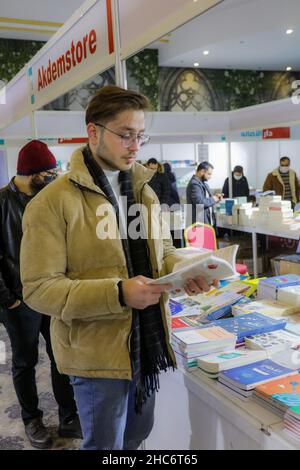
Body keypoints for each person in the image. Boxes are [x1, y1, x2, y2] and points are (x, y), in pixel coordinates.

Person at [20, 86, 216, 450]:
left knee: (137, 437)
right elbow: (38, 289)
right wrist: (118, 293)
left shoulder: (143, 189)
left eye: (140, 135)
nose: (135, 145)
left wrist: (186, 270)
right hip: (95, 356)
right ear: (93, 132)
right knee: (104, 445)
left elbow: (164, 252)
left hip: (148, 342)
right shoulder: (52, 202)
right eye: (125, 135)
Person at [0, 140, 81, 449]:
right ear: (30, 172)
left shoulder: (49, 198)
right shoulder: (3, 202)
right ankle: (31, 418)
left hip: (53, 294)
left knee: (61, 356)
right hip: (19, 300)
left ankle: (68, 416)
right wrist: (9, 299)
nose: (53, 177)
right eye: (48, 172)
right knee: (24, 361)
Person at [186, 161, 223, 226]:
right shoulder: (194, 184)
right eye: (209, 174)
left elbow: (206, 200)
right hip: (200, 224)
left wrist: (216, 198)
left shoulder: (202, 183)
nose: (210, 176)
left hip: (205, 222)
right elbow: (200, 203)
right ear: (202, 171)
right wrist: (214, 199)